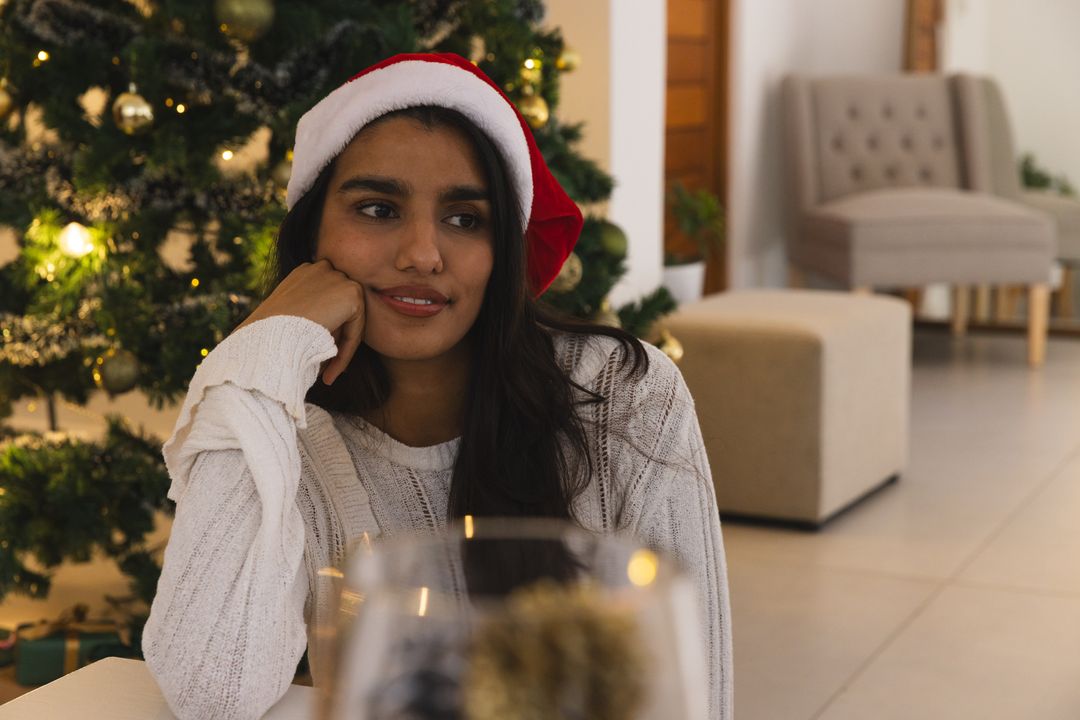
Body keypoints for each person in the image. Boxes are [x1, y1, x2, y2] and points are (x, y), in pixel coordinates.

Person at [142, 52, 732, 720]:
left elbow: (692, 698)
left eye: (464, 220)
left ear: (502, 251)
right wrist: (264, 345)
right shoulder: (286, 425)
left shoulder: (624, 399)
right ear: (312, 233)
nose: (422, 254)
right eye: (376, 208)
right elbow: (212, 693)